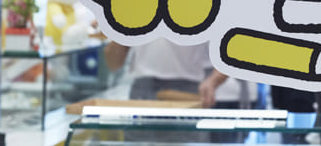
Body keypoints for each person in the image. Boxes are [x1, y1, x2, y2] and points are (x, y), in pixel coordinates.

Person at [104, 39, 252, 108]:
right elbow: (113, 64)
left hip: (186, 91)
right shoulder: (140, 4)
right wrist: (121, 33)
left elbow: (231, 53)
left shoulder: (200, 1)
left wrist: (213, 82)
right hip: (142, 89)